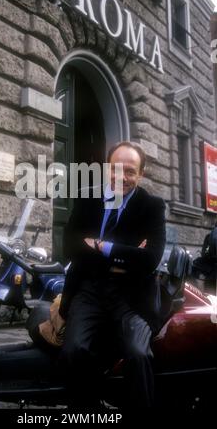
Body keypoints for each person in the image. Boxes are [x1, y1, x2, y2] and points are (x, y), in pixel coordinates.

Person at [58, 141, 166, 409]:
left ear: (140, 175)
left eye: (130, 171)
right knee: (74, 351)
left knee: (138, 354)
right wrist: (126, 254)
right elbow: (69, 248)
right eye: (116, 169)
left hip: (132, 297)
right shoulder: (86, 198)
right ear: (107, 169)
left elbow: (150, 259)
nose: (122, 177)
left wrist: (101, 246)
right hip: (88, 291)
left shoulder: (152, 206)